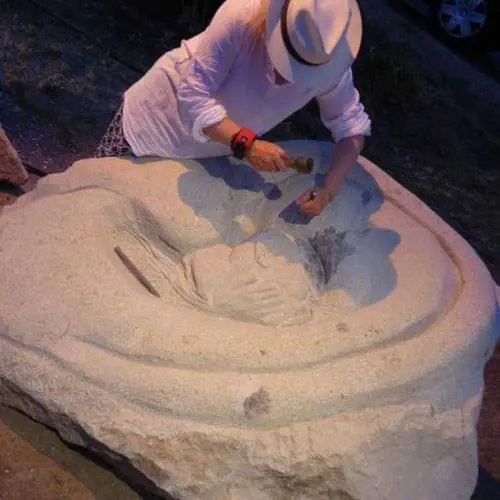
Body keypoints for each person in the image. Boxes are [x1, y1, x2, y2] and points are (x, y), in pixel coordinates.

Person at [95, 0, 371, 216]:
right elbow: (193, 96)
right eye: (290, 60)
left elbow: (352, 128)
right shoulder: (242, 17)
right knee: (96, 192)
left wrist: (328, 190)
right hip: (155, 121)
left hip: (210, 150)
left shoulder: (329, 63)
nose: (290, 76)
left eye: (303, 69)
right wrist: (247, 145)